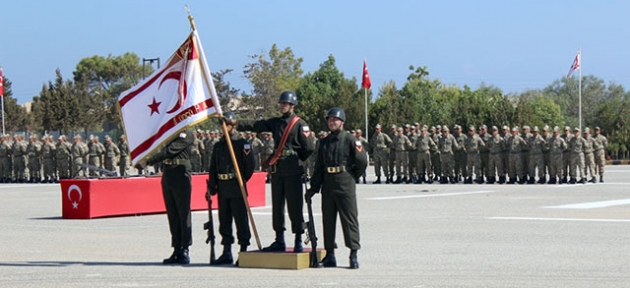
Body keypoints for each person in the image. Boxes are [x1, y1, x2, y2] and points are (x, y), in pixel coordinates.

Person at [233, 91, 315, 252]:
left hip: (293, 169)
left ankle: (298, 239)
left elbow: (309, 147)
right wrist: (235, 122)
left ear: (292, 105)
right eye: (281, 103)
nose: (282, 106)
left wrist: (297, 160)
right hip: (278, 169)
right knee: (277, 206)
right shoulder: (276, 122)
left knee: (295, 206)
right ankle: (279, 239)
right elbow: (257, 125)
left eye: (285, 103)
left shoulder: (300, 124)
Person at [306, 107, 367, 269]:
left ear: (342, 122)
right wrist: (313, 188)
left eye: (335, 120)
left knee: (349, 220)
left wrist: (352, 175)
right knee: (328, 220)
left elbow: (362, 161)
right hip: (328, 184)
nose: (332, 122)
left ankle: (353, 254)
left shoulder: (351, 140)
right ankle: (330, 254)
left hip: (345, 182)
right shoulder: (323, 142)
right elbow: (318, 167)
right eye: (330, 120)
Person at [138, 128, 195, 265]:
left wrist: (147, 161)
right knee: (172, 214)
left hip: (181, 174)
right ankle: (176, 248)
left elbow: (170, 151)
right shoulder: (170, 133)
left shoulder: (186, 134)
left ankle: (185, 249)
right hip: (168, 174)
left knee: (183, 213)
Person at [208, 112, 254, 265]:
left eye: (225, 124)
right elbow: (213, 167)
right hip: (223, 187)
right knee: (224, 220)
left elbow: (249, 167)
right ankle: (226, 251)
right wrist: (211, 187)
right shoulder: (218, 145)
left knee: (241, 220)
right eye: (221, 125)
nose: (223, 128)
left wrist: (240, 180)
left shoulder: (242, 143)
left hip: (236, 187)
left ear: (232, 125)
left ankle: (243, 251)